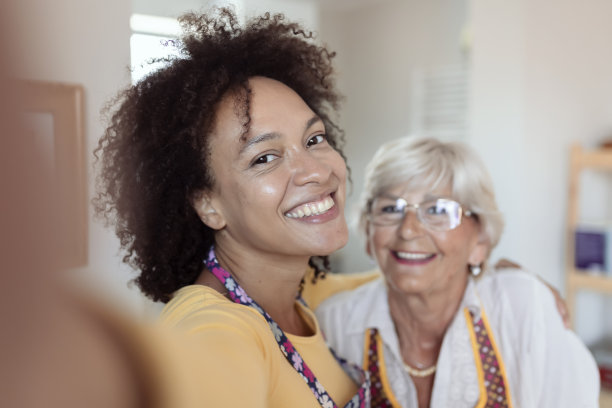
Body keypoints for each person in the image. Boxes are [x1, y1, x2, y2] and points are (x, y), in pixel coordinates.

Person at [95, 8, 369, 408]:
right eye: (264, 158)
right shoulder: (212, 329)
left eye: (314, 140)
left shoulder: (304, 291)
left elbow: (389, 283)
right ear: (208, 205)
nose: (314, 171)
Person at [315, 137, 600, 408]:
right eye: (391, 208)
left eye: (438, 209)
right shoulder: (334, 325)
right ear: (368, 232)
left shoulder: (524, 309)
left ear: (480, 240)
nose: (409, 229)